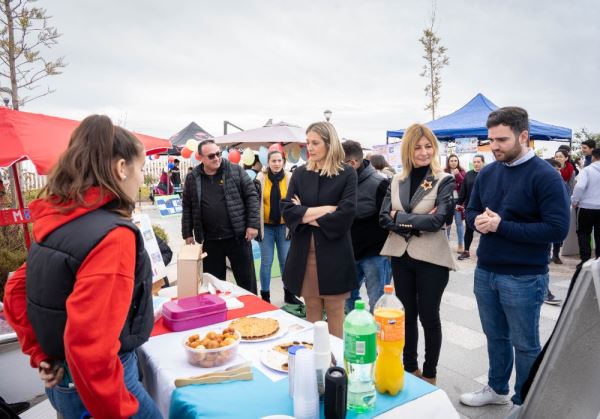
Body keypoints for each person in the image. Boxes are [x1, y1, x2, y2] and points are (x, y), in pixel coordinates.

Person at [3, 115, 162, 419]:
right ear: (120, 168)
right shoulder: (112, 236)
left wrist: (41, 354)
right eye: (140, 169)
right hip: (100, 387)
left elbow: (16, 291)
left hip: (64, 382)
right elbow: (89, 343)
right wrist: (116, 410)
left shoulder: (59, 218)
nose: (142, 179)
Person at [460, 107, 569, 408]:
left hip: (524, 275)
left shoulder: (546, 176)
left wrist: (501, 226)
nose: (494, 146)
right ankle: (497, 390)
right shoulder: (489, 172)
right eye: (490, 139)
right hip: (486, 270)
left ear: (524, 136)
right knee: (494, 336)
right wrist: (477, 221)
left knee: (525, 344)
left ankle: (525, 402)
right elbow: (471, 210)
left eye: (502, 140)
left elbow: (557, 228)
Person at [379, 123, 456, 386]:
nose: (423, 152)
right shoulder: (396, 181)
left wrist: (399, 217)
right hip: (401, 257)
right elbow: (382, 219)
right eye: (417, 147)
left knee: (429, 317)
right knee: (406, 316)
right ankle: (409, 369)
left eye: (428, 146)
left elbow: (439, 221)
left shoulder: (444, 180)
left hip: (432, 258)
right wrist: (418, 218)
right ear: (407, 150)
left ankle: (430, 373)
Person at [281, 121, 357, 338]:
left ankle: (335, 367)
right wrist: (326, 210)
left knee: (335, 311)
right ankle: (313, 362)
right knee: (311, 311)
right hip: (304, 255)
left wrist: (304, 214)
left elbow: (345, 216)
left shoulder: (347, 174)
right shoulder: (300, 174)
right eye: (307, 143)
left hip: (335, 255)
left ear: (329, 144)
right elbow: (287, 212)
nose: (309, 148)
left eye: (315, 143)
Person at [181, 139, 260, 294]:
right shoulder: (193, 177)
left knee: (246, 282)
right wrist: (187, 233)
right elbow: (187, 206)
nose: (216, 158)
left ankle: (252, 314)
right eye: (211, 156)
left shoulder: (235, 170)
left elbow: (252, 196)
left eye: (218, 154)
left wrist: (253, 224)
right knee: (214, 285)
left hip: (238, 237)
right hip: (210, 241)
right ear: (201, 158)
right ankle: (221, 314)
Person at [342, 140, 391, 313]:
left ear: (353, 163)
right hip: (348, 254)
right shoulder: (343, 181)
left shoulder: (380, 183)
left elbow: (389, 221)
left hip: (375, 255)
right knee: (347, 300)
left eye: (340, 163)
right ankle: (355, 334)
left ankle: (376, 340)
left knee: (377, 304)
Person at [256, 150, 302, 305]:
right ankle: (265, 297)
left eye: (279, 161)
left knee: (285, 262)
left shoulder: (290, 177)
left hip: (284, 227)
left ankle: (289, 294)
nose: (276, 164)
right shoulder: (260, 178)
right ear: (268, 162)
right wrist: (255, 226)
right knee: (266, 263)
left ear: (283, 162)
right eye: (273, 161)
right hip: (266, 227)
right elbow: (255, 202)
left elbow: (296, 200)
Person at [541, 158, 565, 306]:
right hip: (542, 230)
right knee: (543, 261)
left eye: (559, 170)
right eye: (555, 170)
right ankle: (544, 292)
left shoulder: (557, 183)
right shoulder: (544, 185)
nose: (558, 173)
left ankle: (544, 291)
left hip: (550, 230)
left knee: (545, 260)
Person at [571, 148, 600, 266]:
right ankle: (599, 260)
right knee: (599, 233)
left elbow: (579, 187)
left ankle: (585, 259)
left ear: (593, 157)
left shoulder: (587, 170)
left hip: (586, 207)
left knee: (583, 232)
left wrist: (574, 200)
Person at [457, 154, 485, 260]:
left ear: (483, 162)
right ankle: (466, 251)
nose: (476, 164)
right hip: (471, 206)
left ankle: (483, 252)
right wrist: (459, 203)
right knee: (469, 230)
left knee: (484, 230)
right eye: (475, 162)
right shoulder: (468, 175)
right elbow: (463, 190)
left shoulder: (487, 174)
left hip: (484, 207)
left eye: (478, 162)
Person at [444, 154, 467, 253]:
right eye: (451, 160)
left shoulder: (462, 172)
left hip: (458, 202)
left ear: (458, 162)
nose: (453, 162)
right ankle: (446, 244)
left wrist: (457, 175)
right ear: (448, 162)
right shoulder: (444, 172)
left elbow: (464, 184)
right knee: (447, 223)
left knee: (459, 223)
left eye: (455, 160)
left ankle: (461, 244)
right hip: (447, 201)